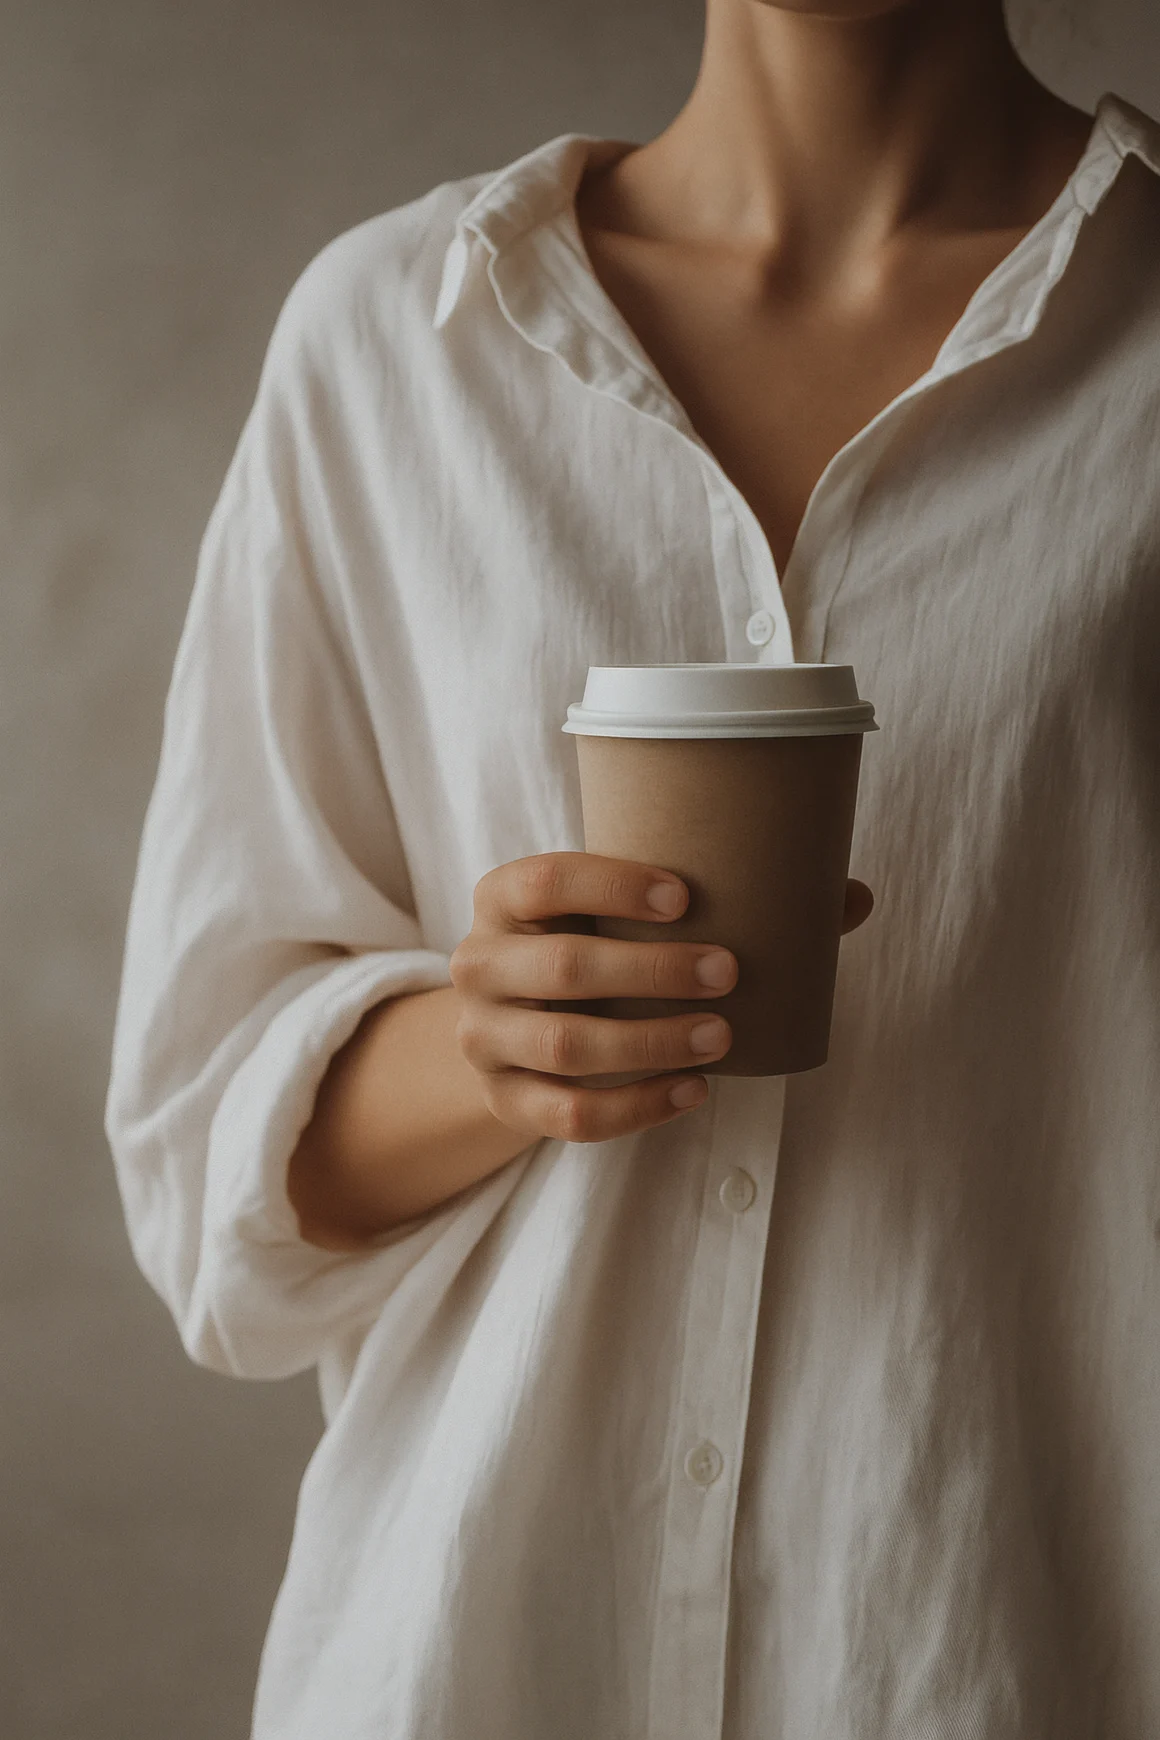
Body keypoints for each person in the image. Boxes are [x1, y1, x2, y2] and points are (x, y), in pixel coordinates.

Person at [105, 0, 1160, 1733]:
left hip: (999, 1644)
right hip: (480, 1656)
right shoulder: (392, 342)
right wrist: (483, 1044)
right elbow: (205, 1182)